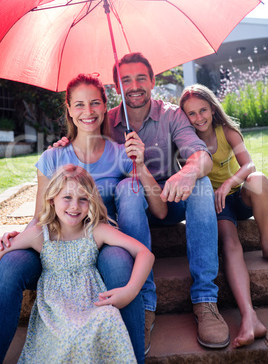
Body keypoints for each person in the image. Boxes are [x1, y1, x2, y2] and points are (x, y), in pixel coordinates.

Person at [0, 74, 167, 364]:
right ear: (68, 108)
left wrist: (139, 162)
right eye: (79, 104)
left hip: (99, 239)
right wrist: (18, 237)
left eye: (94, 103)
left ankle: (132, 356)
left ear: (105, 107)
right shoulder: (53, 157)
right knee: (10, 267)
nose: (87, 112)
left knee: (118, 263)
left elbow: (161, 211)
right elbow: (41, 217)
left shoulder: (121, 154)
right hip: (57, 243)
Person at [108, 53, 230, 349]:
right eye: (126, 80)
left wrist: (187, 173)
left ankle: (205, 299)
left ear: (152, 80)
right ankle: (145, 302)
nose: (134, 86)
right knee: (127, 188)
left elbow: (201, 156)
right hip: (130, 207)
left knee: (200, 184)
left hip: (169, 198)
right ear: (116, 87)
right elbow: (78, 143)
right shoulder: (107, 122)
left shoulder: (171, 114)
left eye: (141, 78)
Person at [0, 164, 155, 363]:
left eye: (83, 199)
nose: (74, 206)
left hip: (91, 305)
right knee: (68, 339)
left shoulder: (95, 231)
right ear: (52, 200)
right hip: (56, 312)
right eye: (67, 198)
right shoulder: (41, 234)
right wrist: (6, 241)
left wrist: (130, 290)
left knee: (107, 320)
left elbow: (145, 253)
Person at [180, 83, 268, 347]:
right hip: (215, 205)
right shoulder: (185, 141)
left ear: (212, 108)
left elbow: (249, 163)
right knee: (230, 244)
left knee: (259, 178)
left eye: (203, 110)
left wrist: (230, 183)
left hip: (238, 194)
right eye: (191, 114)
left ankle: (266, 242)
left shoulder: (226, 131)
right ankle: (249, 316)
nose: (199, 118)